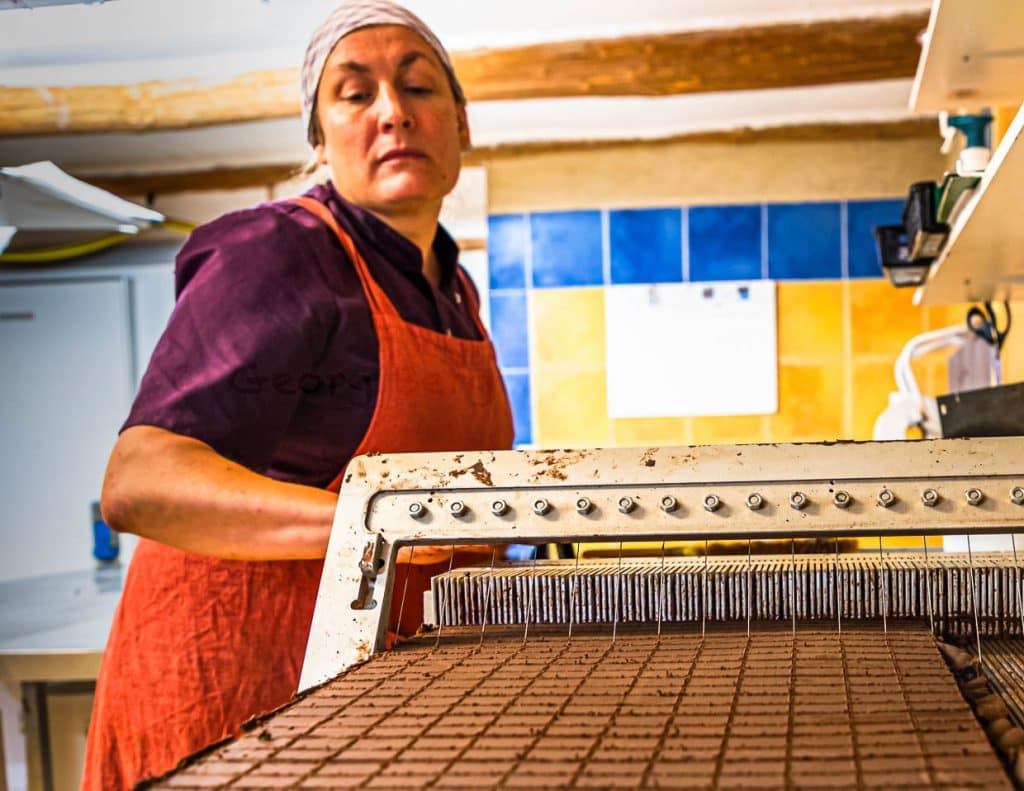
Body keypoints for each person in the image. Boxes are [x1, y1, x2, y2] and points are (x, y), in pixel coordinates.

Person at [81, 2, 513, 787]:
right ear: (319, 140)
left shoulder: (456, 290)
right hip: (234, 717)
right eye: (355, 94)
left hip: (369, 709)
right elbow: (138, 480)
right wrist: (385, 522)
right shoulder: (278, 253)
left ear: (462, 124)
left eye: (419, 87)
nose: (393, 111)